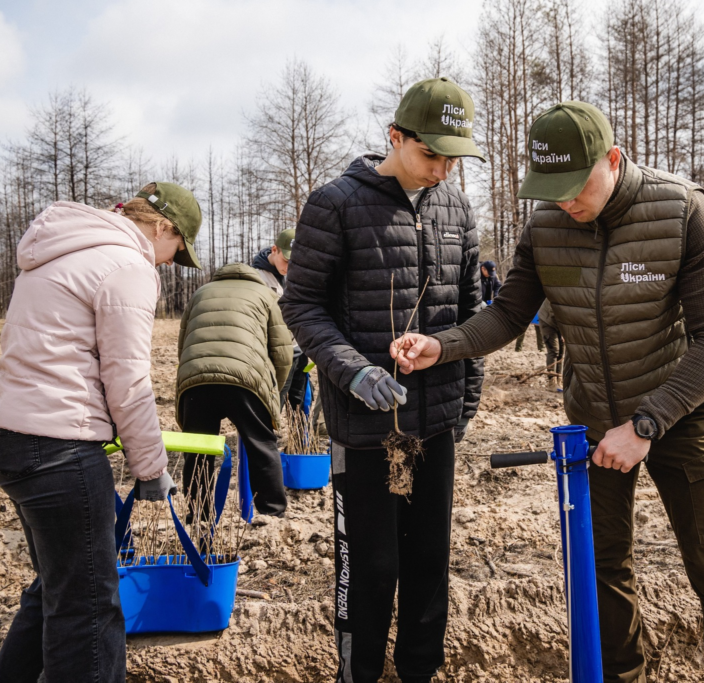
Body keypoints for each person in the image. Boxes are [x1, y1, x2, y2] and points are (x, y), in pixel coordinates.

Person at [393, 101, 704, 683]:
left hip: (681, 415)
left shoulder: (682, 210)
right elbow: (510, 313)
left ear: (612, 160)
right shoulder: (545, 227)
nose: (564, 201)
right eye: (550, 187)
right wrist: (444, 345)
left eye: (574, 185)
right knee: (601, 570)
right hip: (593, 423)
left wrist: (646, 425)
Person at [280, 77, 485, 683]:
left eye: (453, 159)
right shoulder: (336, 203)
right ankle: (358, 674)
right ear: (395, 137)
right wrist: (354, 371)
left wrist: (466, 398)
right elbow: (303, 307)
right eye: (431, 155)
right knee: (369, 568)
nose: (443, 171)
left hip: (437, 423)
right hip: (365, 427)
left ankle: (420, 673)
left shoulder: (456, 208)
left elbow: (471, 314)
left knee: (429, 565)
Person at [0, 183, 201, 683]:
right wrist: (151, 468)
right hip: (59, 453)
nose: (171, 262)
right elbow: (128, 381)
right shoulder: (127, 265)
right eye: (177, 249)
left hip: (11, 439)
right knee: (88, 612)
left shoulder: (61, 247)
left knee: (56, 590)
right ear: (162, 227)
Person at [176, 262, 293, 521]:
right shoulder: (266, 294)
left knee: (198, 448)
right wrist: (273, 388)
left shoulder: (201, 292)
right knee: (261, 444)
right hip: (245, 379)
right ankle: (271, 514)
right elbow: (283, 353)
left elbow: (183, 342)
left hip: (197, 378)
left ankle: (199, 516)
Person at [253, 228, 310, 412]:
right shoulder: (256, 278)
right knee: (274, 404)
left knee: (300, 402)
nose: (289, 267)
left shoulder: (299, 276)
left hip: (299, 350)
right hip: (275, 354)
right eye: (286, 260)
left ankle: (300, 440)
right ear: (274, 249)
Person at [538, 298, 562, 389]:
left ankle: (559, 380)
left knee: (561, 353)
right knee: (554, 350)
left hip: (559, 323)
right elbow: (554, 313)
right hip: (548, 320)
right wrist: (564, 331)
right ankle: (552, 382)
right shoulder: (557, 293)